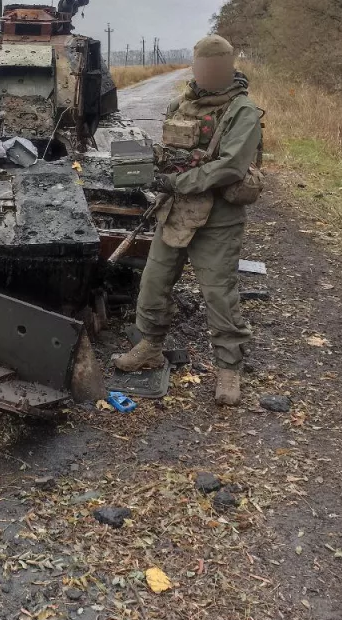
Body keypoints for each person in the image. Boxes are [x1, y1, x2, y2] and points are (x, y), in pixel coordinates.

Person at [112, 35, 263, 405]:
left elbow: (229, 167)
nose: (207, 73)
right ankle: (149, 346)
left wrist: (176, 180)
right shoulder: (182, 104)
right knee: (153, 282)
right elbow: (167, 153)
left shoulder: (242, 111)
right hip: (176, 209)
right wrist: (148, 168)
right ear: (195, 67)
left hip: (219, 215)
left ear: (228, 69)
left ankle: (228, 369)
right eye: (202, 67)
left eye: (215, 68)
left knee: (218, 292)